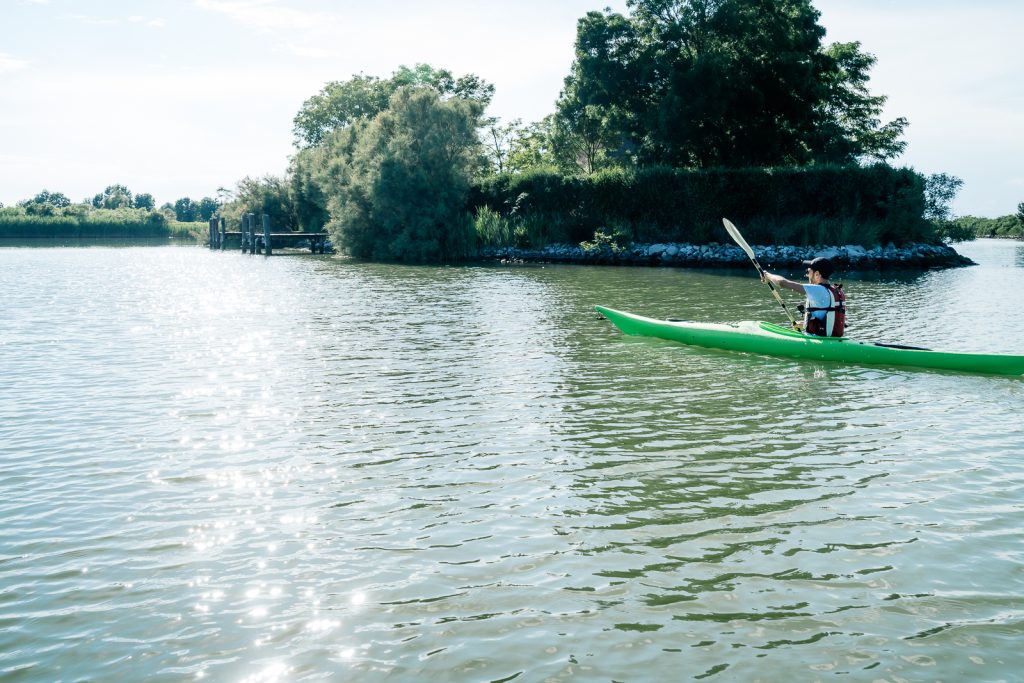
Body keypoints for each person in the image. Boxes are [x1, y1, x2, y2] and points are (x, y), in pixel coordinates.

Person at [762, 257, 846, 337]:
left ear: (817, 274)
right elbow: (829, 318)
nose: (807, 275)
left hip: (817, 340)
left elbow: (781, 283)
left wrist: (767, 275)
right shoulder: (837, 291)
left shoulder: (817, 290)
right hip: (832, 338)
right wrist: (804, 324)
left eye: (809, 271)